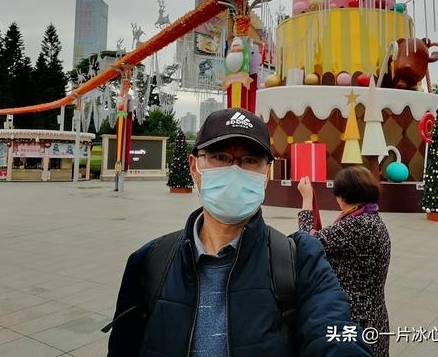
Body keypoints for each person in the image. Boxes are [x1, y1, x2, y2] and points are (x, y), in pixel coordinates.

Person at [107, 108, 371, 356]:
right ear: (194, 168)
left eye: (250, 160)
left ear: (266, 174)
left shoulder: (301, 260)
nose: (234, 170)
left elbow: (333, 328)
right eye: (220, 157)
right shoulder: (150, 262)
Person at [296, 166, 391, 357]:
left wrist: (306, 199)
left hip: (355, 317)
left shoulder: (357, 225)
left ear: (343, 197)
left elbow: (307, 243)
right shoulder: (371, 218)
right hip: (375, 314)